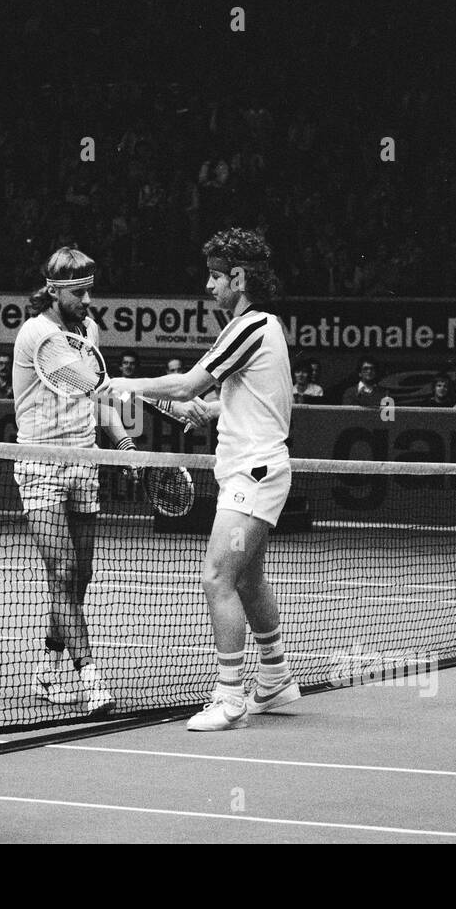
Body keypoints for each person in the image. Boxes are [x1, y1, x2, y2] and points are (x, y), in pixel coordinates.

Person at [101, 227, 298, 732]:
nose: (209, 286)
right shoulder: (265, 328)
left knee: (216, 577)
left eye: (215, 276)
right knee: (248, 578)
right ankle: (275, 676)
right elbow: (252, 399)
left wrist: (121, 384)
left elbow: (188, 382)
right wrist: (210, 412)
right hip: (256, 466)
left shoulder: (249, 325)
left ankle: (229, 697)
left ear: (239, 276)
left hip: (253, 472)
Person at [11, 247, 143, 714]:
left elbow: (99, 401)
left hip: (84, 460)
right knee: (63, 571)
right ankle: (91, 679)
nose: (88, 299)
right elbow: (95, 386)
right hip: (41, 462)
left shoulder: (89, 330)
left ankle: (47, 672)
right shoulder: (37, 335)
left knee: (78, 576)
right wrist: (164, 396)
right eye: (79, 291)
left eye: (91, 288)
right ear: (53, 289)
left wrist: (125, 447)